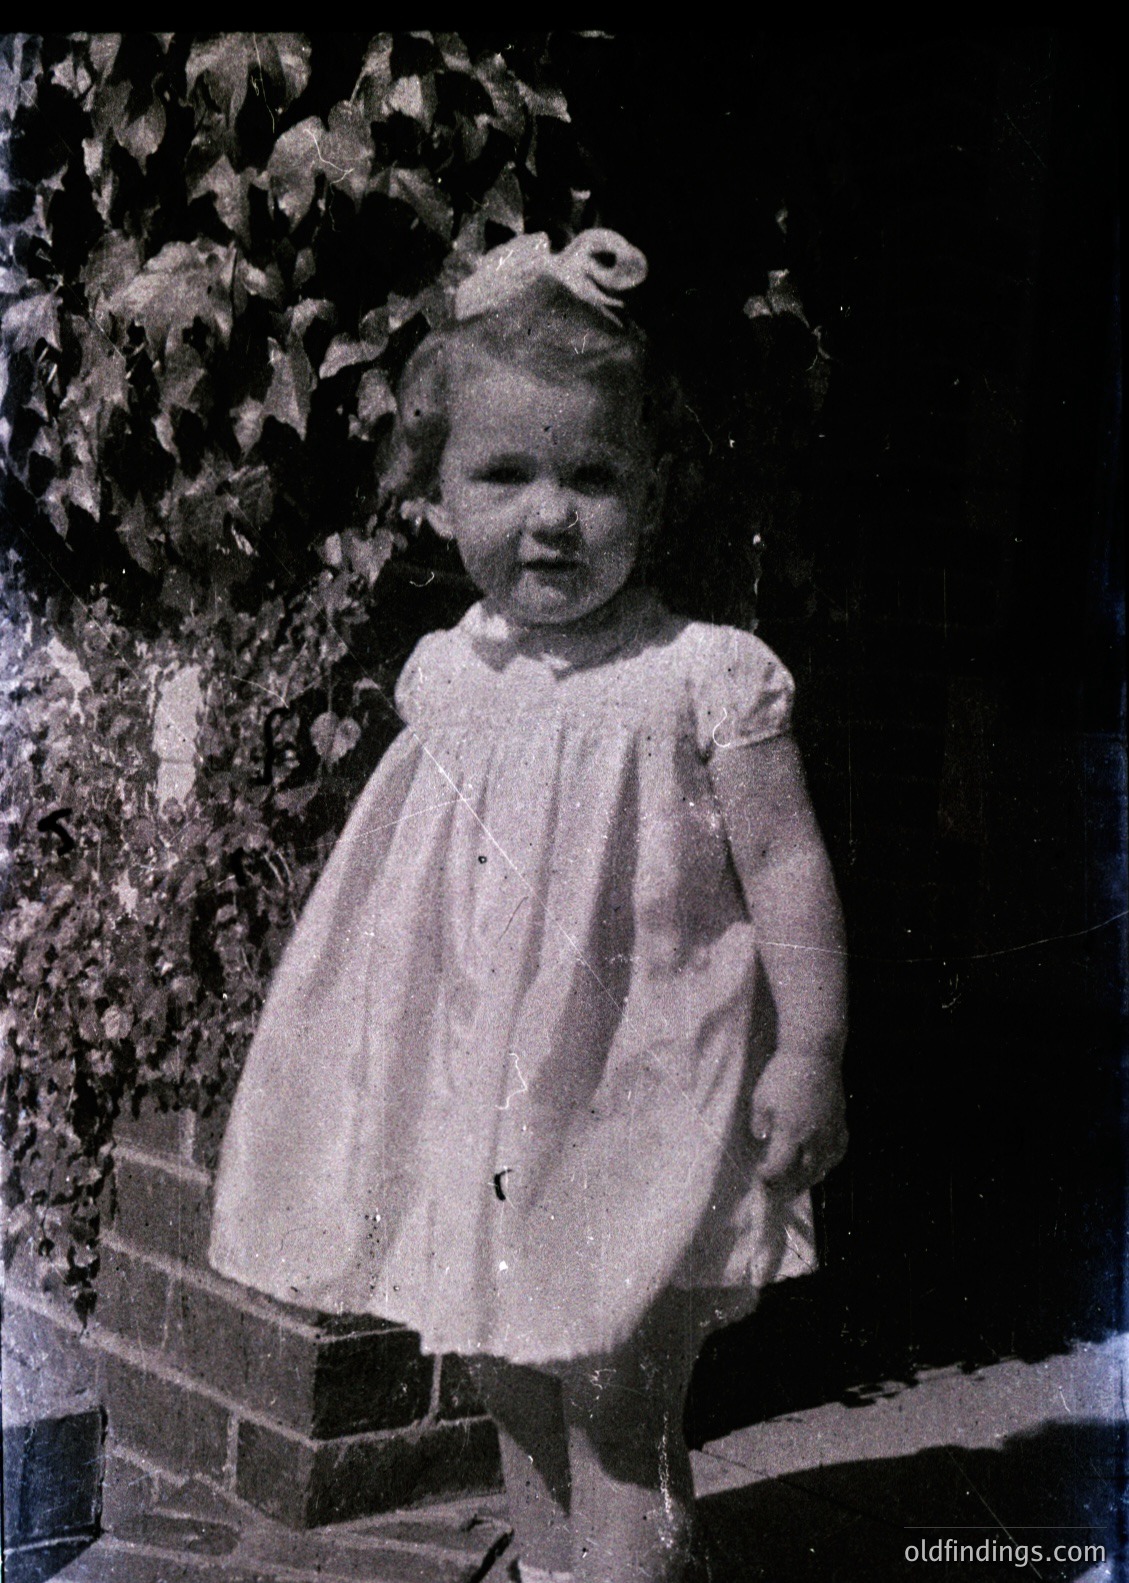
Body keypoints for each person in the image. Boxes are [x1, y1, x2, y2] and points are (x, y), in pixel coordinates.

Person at [208, 228, 849, 1583]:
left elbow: (787, 869)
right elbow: (407, 897)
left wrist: (810, 1047)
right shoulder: (450, 676)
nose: (548, 514)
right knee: (504, 1363)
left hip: (640, 1098)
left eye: (591, 475)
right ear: (436, 496)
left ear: (655, 493)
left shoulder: (701, 677)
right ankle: (560, 1570)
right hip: (486, 1103)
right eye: (504, 473)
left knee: (617, 1394)